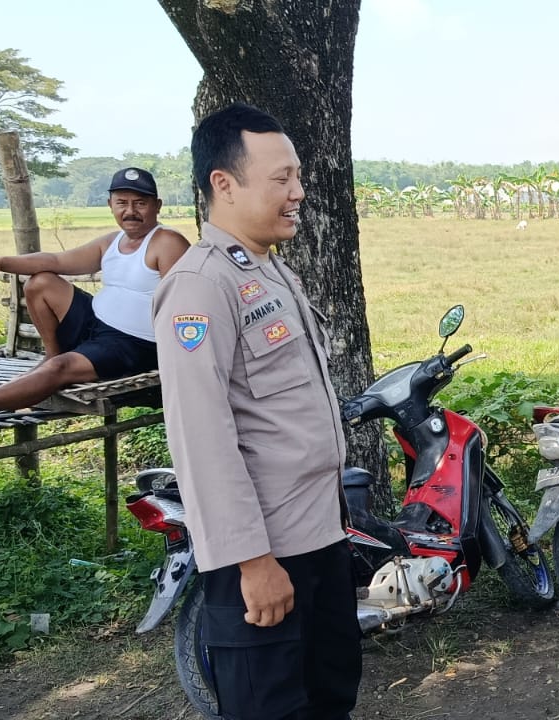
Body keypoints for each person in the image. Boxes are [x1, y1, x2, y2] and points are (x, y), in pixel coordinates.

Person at [152, 102, 358, 720]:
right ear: (224, 183)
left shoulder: (270, 272)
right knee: (272, 708)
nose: (297, 192)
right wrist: (252, 561)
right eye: (281, 179)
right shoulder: (199, 287)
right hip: (267, 554)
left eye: (296, 177)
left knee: (331, 696)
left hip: (319, 536)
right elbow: (202, 438)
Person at [0, 167, 189, 420]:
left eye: (140, 203)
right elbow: (56, 260)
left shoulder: (167, 242)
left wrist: (179, 362)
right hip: (95, 324)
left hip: (133, 344)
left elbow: (184, 305)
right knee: (41, 282)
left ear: (157, 206)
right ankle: (52, 354)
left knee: (61, 368)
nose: (130, 211)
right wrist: (0, 262)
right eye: (122, 202)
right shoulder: (112, 242)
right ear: (110, 204)